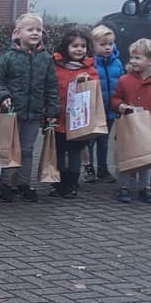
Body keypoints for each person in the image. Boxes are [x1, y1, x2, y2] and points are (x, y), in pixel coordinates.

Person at [0, 12, 57, 203]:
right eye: (30, 29)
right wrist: (4, 95)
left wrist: (52, 111)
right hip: (12, 113)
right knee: (9, 148)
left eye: (38, 30)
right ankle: (5, 184)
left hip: (34, 113)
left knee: (27, 150)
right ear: (18, 33)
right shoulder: (8, 57)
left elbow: (51, 86)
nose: (35, 33)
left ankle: (24, 184)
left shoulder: (45, 58)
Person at [112, 38, 151, 205]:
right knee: (125, 157)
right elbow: (115, 99)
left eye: (138, 58)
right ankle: (123, 187)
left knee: (147, 161)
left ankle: (144, 188)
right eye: (132, 57)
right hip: (128, 127)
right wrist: (121, 106)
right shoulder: (124, 80)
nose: (133, 61)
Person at [51, 27, 98, 198]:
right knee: (58, 151)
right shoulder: (56, 66)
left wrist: (86, 81)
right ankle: (60, 182)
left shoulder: (89, 68)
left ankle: (72, 183)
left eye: (83, 46)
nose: (79, 50)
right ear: (66, 47)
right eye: (75, 46)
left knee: (75, 152)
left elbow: (95, 87)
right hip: (59, 116)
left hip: (78, 119)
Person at [86, 24, 121, 184]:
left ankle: (102, 169)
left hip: (109, 109)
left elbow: (120, 84)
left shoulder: (117, 63)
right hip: (93, 110)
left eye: (110, 44)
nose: (107, 48)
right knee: (89, 141)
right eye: (103, 44)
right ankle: (89, 168)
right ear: (93, 46)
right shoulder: (90, 64)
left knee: (103, 141)